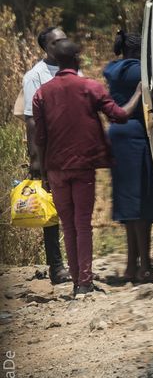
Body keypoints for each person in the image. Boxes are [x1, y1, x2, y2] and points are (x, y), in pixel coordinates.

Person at [32, 40, 142, 296]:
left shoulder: (42, 94)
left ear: (57, 62)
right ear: (77, 60)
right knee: (83, 224)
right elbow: (120, 115)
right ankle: (85, 282)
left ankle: (76, 282)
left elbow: (40, 137)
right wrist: (138, 92)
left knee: (68, 226)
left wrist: (44, 171)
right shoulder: (90, 87)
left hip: (56, 169)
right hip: (83, 167)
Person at [104, 32, 153, 284]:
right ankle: (144, 267)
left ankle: (131, 266)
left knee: (130, 205)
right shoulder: (138, 71)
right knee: (142, 201)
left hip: (118, 137)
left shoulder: (113, 69)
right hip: (136, 136)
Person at [21, 27, 71, 285]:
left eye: (65, 38)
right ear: (47, 48)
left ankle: (77, 261)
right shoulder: (35, 76)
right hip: (50, 150)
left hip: (73, 148)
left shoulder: (72, 67)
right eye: (58, 41)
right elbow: (31, 120)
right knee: (50, 211)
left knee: (73, 206)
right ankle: (57, 266)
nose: (64, 43)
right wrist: (35, 159)